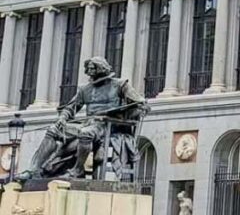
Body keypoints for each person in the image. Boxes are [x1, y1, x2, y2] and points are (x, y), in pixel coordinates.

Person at [20, 56, 148, 180]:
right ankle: (33, 170)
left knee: (85, 133)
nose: (90, 71)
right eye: (89, 68)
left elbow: (141, 104)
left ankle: (77, 170)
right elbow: (70, 108)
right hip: (89, 124)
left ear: (102, 68)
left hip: (109, 126)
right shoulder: (84, 89)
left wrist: (136, 109)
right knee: (53, 130)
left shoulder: (120, 85)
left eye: (93, 68)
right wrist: (62, 118)